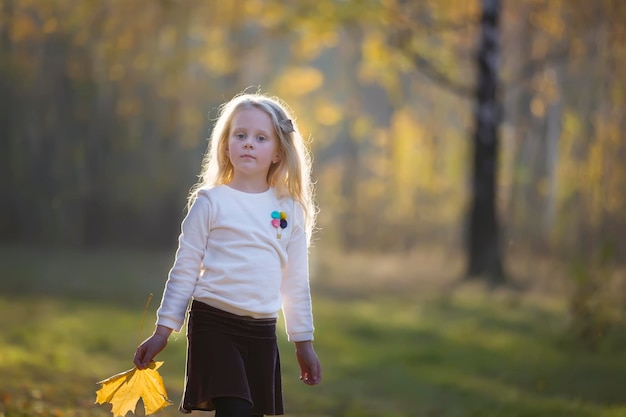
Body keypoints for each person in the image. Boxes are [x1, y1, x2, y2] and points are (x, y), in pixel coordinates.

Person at [133, 92, 322, 417]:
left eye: (260, 138)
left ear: (278, 152)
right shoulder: (211, 203)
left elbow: (295, 283)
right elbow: (185, 269)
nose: (249, 143)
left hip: (262, 333)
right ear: (226, 145)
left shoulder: (288, 210)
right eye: (241, 135)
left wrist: (303, 342)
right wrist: (163, 330)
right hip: (213, 325)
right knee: (234, 411)